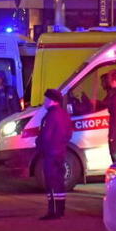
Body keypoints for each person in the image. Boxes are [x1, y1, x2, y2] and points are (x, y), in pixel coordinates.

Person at [37, 88, 73, 220]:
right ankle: (60, 209)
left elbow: (45, 135)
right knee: (59, 181)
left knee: (51, 182)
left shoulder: (51, 116)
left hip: (50, 153)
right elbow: (69, 134)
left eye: (46, 99)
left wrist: (39, 145)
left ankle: (53, 211)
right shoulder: (64, 115)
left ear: (52, 101)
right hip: (60, 152)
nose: (44, 102)